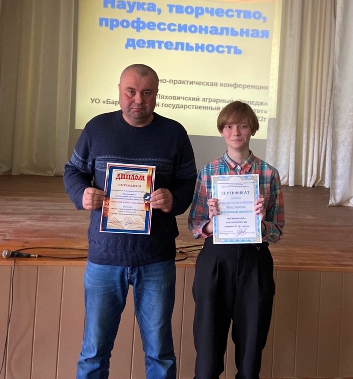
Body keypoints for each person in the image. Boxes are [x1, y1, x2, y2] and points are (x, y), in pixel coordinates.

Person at [64, 63, 197, 379]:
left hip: (156, 258)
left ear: (156, 95)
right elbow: (74, 171)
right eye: (131, 92)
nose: (139, 100)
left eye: (147, 93)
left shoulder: (174, 133)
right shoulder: (97, 128)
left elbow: (187, 182)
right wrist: (82, 193)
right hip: (105, 256)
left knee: (160, 355)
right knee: (93, 353)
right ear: (120, 92)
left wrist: (173, 199)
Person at [188, 101, 285, 379]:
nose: (236, 132)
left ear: (252, 129)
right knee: (208, 345)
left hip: (255, 260)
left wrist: (261, 222)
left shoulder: (268, 173)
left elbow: (277, 229)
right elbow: (195, 224)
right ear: (221, 130)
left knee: (252, 346)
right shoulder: (208, 172)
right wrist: (211, 221)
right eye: (229, 126)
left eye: (242, 126)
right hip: (215, 261)